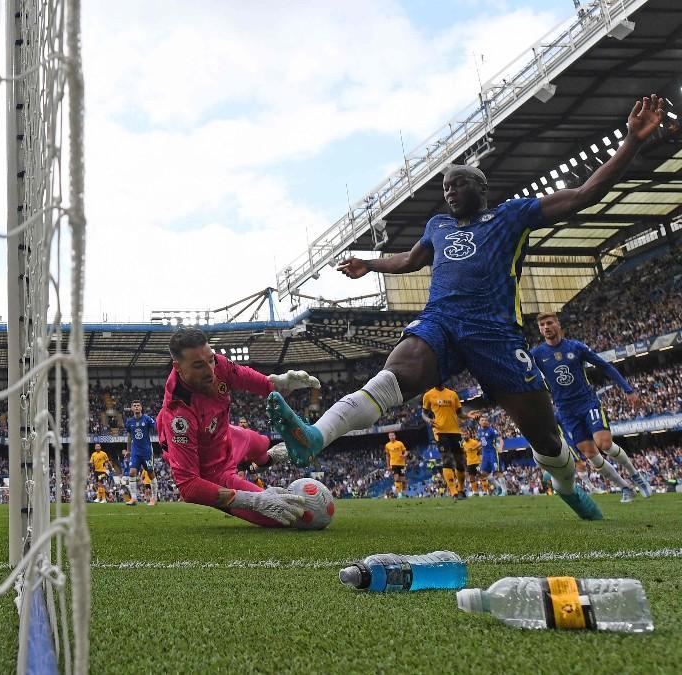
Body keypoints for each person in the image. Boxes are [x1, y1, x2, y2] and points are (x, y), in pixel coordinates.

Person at [269, 95, 664, 520]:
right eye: (445, 187)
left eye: (459, 184)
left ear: (481, 187)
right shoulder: (437, 226)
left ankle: (567, 487)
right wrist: (370, 263)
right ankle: (315, 436)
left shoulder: (512, 216)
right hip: (441, 322)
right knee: (394, 372)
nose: (450, 192)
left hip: (495, 334)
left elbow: (586, 193)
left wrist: (632, 142)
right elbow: (409, 260)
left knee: (546, 439)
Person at [156, 327, 320, 527]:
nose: (210, 371)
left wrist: (279, 385)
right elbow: (188, 486)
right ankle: (251, 475)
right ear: (178, 367)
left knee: (262, 443)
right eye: (199, 365)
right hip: (211, 469)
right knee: (288, 515)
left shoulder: (218, 364)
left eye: (210, 360)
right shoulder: (178, 415)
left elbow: (251, 380)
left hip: (225, 435)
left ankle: (266, 459)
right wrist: (252, 500)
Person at [531, 312, 652, 503]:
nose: (546, 327)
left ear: (557, 324)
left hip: (587, 403)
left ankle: (636, 475)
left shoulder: (576, 347)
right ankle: (625, 487)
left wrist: (628, 389)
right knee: (590, 455)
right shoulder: (537, 354)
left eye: (549, 323)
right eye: (542, 325)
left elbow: (605, 366)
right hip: (565, 411)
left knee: (604, 444)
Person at [423, 385, 467, 500]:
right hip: (440, 431)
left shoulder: (453, 394)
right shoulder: (428, 395)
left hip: (455, 431)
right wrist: (428, 420)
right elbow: (424, 413)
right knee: (446, 459)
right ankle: (453, 492)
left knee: (460, 462)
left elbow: (460, 413)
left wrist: (469, 416)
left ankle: (461, 489)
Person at [125, 399, 157, 505]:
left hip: (147, 451)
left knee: (150, 473)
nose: (137, 407)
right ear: (132, 408)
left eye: (138, 405)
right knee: (132, 472)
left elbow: (156, 427)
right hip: (135, 451)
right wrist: (128, 450)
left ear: (141, 407)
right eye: (134, 405)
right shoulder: (129, 421)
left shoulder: (147, 419)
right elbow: (129, 436)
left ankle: (154, 498)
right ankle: (134, 498)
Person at [474, 414, 505, 495]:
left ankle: (505, 491)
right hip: (485, 454)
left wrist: (500, 447)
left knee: (497, 472)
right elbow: (482, 442)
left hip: (493, 453)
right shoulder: (479, 431)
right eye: (482, 420)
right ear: (480, 422)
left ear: (487, 422)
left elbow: (500, 439)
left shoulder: (491, 430)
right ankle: (498, 487)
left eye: (485, 420)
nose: (484, 421)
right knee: (483, 474)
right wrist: (475, 447)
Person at [384, 431, 407, 497]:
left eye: (393, 435)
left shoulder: (400, 443)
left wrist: (404, 455)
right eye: (390, 436)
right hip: (393, 464)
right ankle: (399, 493)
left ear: (395, 436)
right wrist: (388, 465)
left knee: (402, 478)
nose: (392, 437)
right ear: (388, 437)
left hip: (402, 464)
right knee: (396, 478)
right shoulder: (387, 445)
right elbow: (387, 456)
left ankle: (404, 492)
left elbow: (406, 452)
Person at [462, 428, 483, 495]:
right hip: (469, 463)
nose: (465, 436)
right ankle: (475, 492)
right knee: (471, 477)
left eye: (466, 434)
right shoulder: (463, 444)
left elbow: (480, 449)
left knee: (481, 475)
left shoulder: (474, 442)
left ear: (469, 435)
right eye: (463, 435)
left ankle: (486, 491)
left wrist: (480, 459)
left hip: (476, 462)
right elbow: (464, 454)